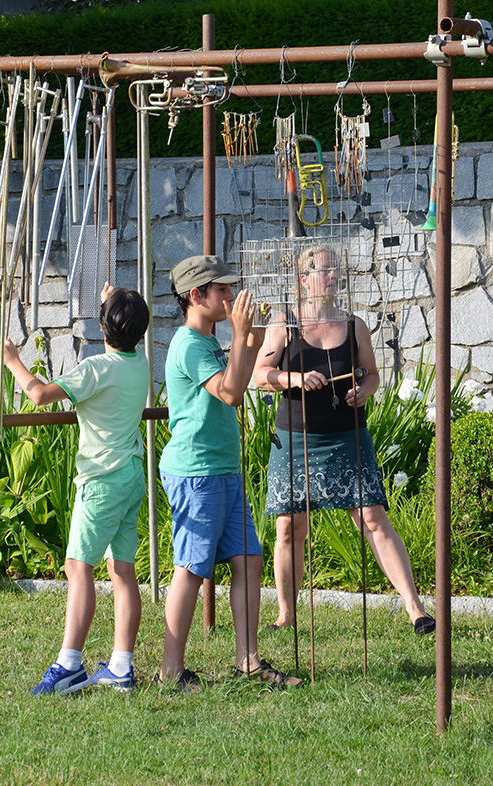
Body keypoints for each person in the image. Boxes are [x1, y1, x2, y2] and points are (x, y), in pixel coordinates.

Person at [252, 245, 434, 636]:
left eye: (337, 270)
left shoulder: (355, 325)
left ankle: (416, 610)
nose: (334, 277)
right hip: (296, 440)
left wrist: (364, 391)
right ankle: (286, 615)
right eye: (326, 270)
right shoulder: (284, 323)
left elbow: (372, 374)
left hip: (347, 437)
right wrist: (295, 379)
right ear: (304, 279)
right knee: (289, 527)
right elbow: (260, 374)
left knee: (373, 518)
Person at [159, 254, 299, 691]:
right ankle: (170, 670)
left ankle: (248, 661)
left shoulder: (208, 343)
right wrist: (240, 336)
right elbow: (231, 393)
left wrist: (255, 333)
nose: (230, 296)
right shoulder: (188, 344)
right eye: (221, 290)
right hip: (196, 473)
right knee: (191, 568)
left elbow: (244, 364)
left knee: (248, 559)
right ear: (196, 296)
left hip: (222, 470)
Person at [3, 282, 151, 695]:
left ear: (102, 328)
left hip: (101, 481)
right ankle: (121, 666)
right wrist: (110, 303)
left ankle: (69, 664)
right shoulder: (139, 362)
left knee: (77, 567)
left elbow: (39, 395)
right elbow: (121, 332)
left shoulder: (95, 369)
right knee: (122, 570)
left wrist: (13, 361)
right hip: (130, 475)